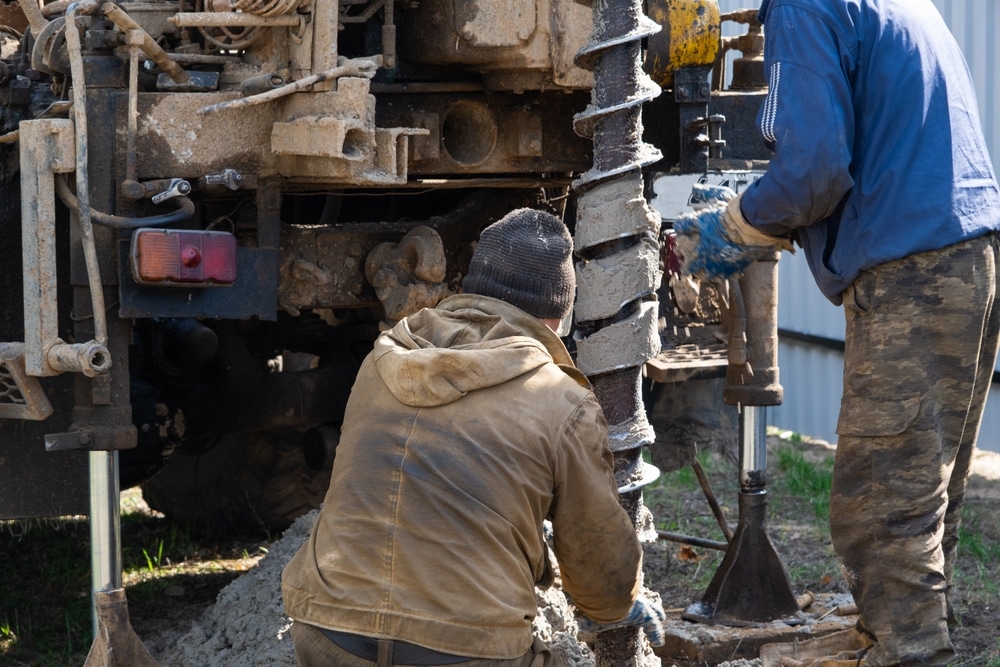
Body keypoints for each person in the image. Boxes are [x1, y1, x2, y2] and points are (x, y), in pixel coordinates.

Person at [674, 1, 1000, 665]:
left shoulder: (805, 5)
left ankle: (912, 651)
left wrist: (730, 228)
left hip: (913, 265)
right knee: (924, 489)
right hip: (970, 251)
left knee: (878, 502)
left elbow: (815, 170)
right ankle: (912, 634)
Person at [282, 207, 666, 667]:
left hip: (326, 636)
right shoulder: (562, 399)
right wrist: (619, 604)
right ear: (560, 316)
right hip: (461, 652)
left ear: (471, 290)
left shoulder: (381, 361)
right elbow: (597, 570)